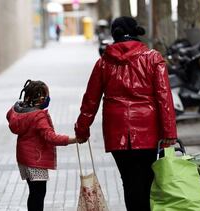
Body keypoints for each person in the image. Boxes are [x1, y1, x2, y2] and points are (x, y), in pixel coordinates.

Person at [74, 16, 177, 211]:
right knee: (147, 180)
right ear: (137, 31)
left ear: (114, 34)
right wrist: (169, 133)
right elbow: (164, 98)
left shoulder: (104, 62)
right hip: (149, 130)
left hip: (117, 131)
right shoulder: (153, 58)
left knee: (129, 181)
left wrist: (82, 129)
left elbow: (90, 100)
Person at [6, 80, 80, 211]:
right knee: (38, 194)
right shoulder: (38, 116)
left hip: (24, 159)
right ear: (40, 99)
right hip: (36, 160)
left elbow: (9, 116)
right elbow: (50, 137)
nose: (48, 98)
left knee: (34, 193)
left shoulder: (18, 110)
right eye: (46, 96)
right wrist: (74, 139)